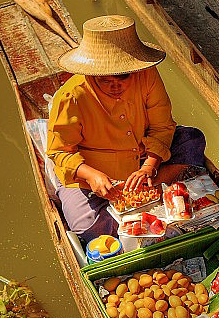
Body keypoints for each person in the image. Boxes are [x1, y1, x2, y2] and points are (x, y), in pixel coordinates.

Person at [47, 15, 206, 242]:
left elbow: (162, 127)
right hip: (94, 170)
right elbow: (60, 152)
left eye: (123, 77)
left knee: (192, 139)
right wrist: (91, 175)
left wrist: (149, 166)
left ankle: (147, 189)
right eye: (105, 80)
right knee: (88, 230)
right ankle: (149, 194)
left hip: (142, 156)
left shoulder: (147, 75)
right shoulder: (71, 96)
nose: (116, 86)